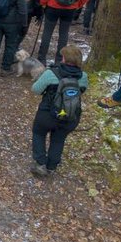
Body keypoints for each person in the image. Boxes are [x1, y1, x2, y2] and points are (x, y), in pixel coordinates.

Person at [30, 45, 88, 176]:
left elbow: (35, 89)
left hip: (47, 114)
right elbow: (83, 90)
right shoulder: (83, 76)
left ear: (64, 58)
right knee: (58, 139)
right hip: (70, 116)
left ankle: (40, 163)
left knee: (39, 133)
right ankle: (52, 166)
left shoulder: (51, 73)